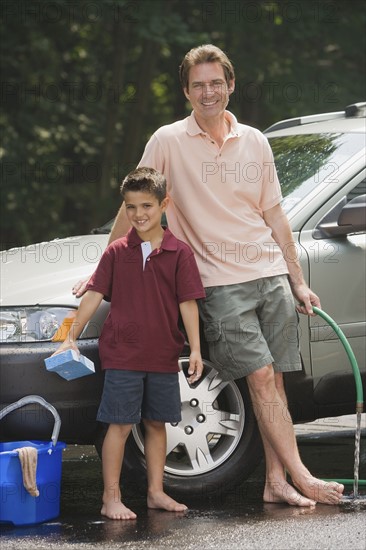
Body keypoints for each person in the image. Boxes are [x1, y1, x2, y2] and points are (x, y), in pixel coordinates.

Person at [74, 45, 344, 506]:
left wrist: (296, 278)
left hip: (270, 273)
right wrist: (107, 263)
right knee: (258, 377)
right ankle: (303, 475)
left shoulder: (255, 140)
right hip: (219, 282)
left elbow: (275, 216)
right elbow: (132, 204)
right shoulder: (167, 141)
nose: (208, 92)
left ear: (230, 85)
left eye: (215, 82)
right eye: (198, 85)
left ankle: (275, 482)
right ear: (186, 91)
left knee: (275, 380)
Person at [57, 167, 205, 520]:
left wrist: (196, 349)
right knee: (119, 425)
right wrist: (69, 337)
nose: (139, 215)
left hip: (164, 355)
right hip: (122, 354)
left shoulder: (179, 253)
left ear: (164, 204)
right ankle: (111, 498)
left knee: (156, 424)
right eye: (131, 207)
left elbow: (188, 302)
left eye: (147, 206)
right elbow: (93, 296)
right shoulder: (115, 253)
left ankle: (155, 492)